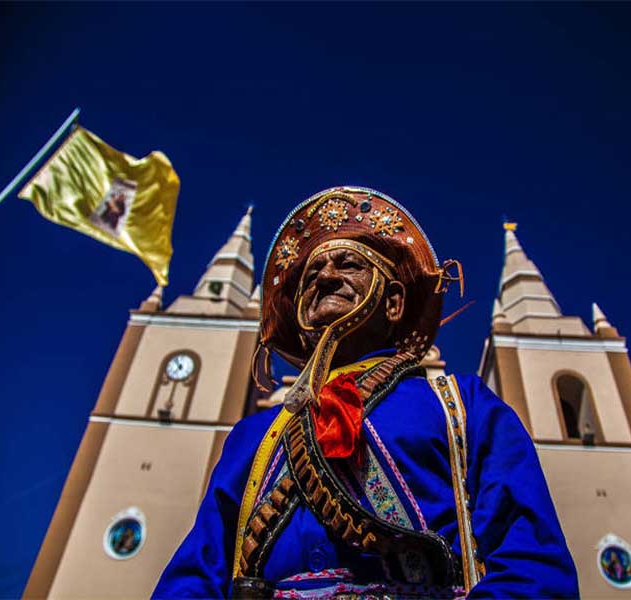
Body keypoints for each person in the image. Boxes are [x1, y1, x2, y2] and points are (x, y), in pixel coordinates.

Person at [154, 186, 578, 599]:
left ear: (393, 302)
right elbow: (196, 574)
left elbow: (530, 565)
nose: (324, 277)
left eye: (348, 264)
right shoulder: (253, 436)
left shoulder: (463, 406)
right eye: (311, 275)